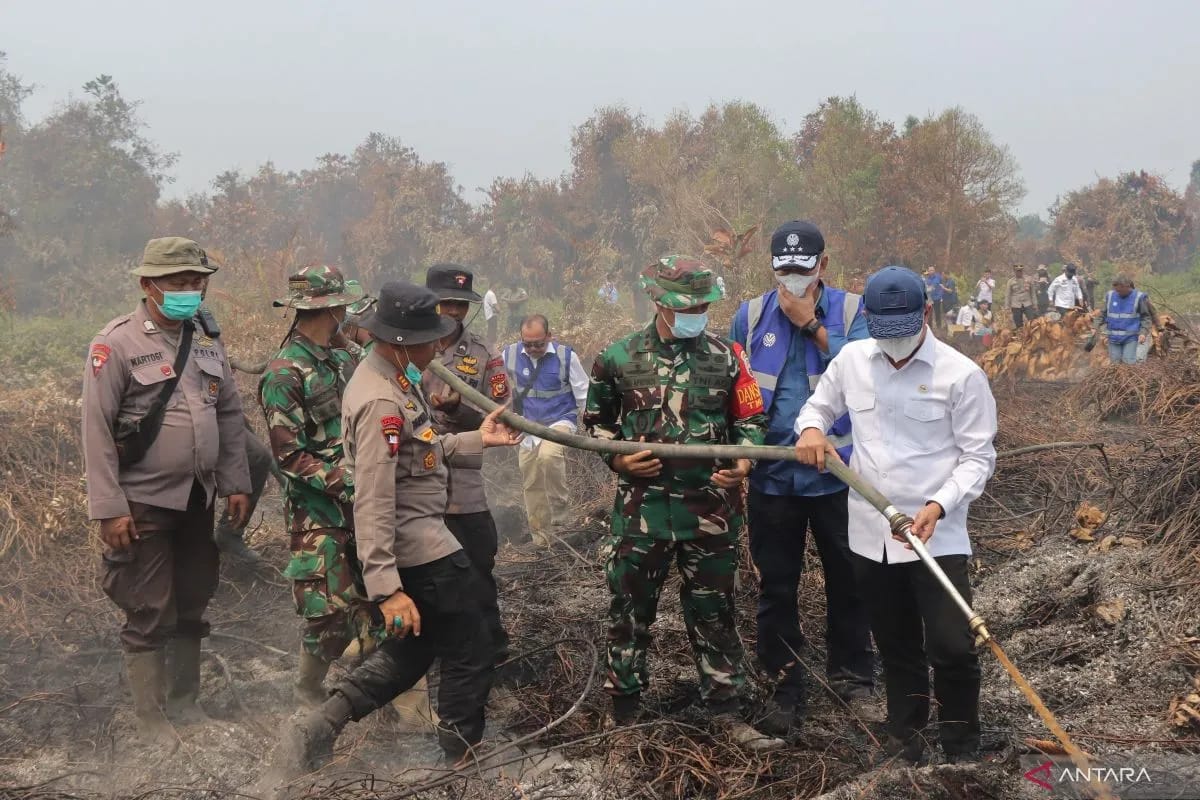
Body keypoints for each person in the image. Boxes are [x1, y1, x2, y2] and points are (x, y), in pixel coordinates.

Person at [266, 282, 521, 781]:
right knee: (471, 639)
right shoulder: (381, 400)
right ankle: (462, 753)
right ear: (403, 341)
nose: (436, 349)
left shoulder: (395, 379)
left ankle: (323, 721)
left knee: (416, 646)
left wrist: (476, 439)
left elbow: (418, 454)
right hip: (416, 541)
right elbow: (374, 495)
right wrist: (385, 589)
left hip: (421, 533)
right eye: (429, 340)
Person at [795, 265, 997, 765]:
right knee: (895, 643)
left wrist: (937, 505)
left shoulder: (961, 375)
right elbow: (814, 410)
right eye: (884, 333)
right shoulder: (852, 361)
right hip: (870, 533)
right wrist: (811, 431)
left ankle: (961, 746)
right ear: (867, 319)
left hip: (937, 533)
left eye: (904, 332)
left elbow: (978, 457)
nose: (894, 344)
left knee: (952, 645)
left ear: (926, 314)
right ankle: (904, 739)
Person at [584, 256, 771, 740]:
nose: (697, 313)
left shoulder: (726, 357)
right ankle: (623, 712)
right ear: (658, 302)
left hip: (710, 511)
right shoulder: (618, 358)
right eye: (687, 305)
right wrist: (619, 462)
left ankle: (725, 709)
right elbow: (597, 426)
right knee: (629, 610)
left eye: (704, 305)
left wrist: (743, 463)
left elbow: (750, 421)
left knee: (714, 611)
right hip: (641, 514)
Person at [82, 237, 252, 743]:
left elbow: (228, 413)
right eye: (179, 282)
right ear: (147, 285)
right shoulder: (115, 344)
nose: (191, 291)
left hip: (197, 498)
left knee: (194, 598)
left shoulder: (205, 339)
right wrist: (109, 509)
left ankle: (186, 701)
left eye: (198, 282)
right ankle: (150, 717)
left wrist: (236, 481)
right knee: (150, 605)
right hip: (142, 502)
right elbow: (95, 429)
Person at [728, 221, 875, 736]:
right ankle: (783, 682)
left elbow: (867, 376)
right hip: (772, 481)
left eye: (803, 269)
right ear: (772, 269)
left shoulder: (855, 311)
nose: (792, 278)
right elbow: (738, 391)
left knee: (850, 580)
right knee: (777, 585)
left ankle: (854, 677)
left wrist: (811, 323)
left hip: (838, 476)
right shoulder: (748, 316)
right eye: (784, 270)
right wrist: (741, 457)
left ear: (823, 266)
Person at [259, 265, 373, 707]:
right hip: (317, 514)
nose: (347, 311)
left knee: (374, 598)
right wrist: (348, 483)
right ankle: (308, 692)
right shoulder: (284, 374)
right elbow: (289, 455)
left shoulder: (344, 359)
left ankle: (373, 692)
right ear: (331, 307)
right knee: (328, 612)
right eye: (343, 306)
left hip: (360, 504)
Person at [421, 264, 511, 664]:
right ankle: (425, 656)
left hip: (462, 484)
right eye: (446, 303)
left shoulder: (484, 355)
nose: (453, 312)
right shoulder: (405, 345)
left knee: (476, 566)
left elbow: (504, 418)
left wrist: (460, 412)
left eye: (460, 304)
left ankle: (489, 652)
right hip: (413, 478)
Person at [502, 314, 589, 545]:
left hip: (560, 420)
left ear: (549, 337)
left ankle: (560, 509)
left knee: (549, 456)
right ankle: (541, 537)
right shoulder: (509, 355)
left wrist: (593, 424)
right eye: (527, 343)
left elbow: (584, 395)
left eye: (538, 344)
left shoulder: (566, 357)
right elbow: (498, 388)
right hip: (528, 426)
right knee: (530, 479)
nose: (532, 348)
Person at [1095, 274, 1153, 364]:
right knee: (1115, 364)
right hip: (1113, 338)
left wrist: (1143, 333)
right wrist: (1094, 327)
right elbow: (1102, 314)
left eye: (1120, 290)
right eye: (1116, 290)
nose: (1118, 293)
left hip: (1130, 338)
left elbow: (1146, 317)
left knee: (1128, 363)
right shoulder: (1110, 296)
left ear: (1127, 286)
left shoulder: (1138, 297)